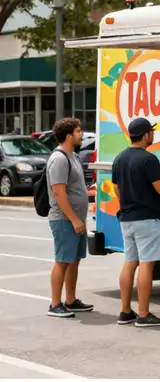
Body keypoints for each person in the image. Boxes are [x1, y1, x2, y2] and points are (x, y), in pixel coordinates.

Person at [112, 117, 160, 327]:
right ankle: (143, 314)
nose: (153, 135)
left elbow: (116, 188)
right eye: (151, 132)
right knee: (146, 265)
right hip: (146, 218)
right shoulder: (148, 159)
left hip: (126, 218)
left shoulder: (119, 158)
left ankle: (125, 311)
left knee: (129, 263)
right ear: (145, 135)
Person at [46, 117, 93, 318]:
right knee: (62, 260)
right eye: (78, 131)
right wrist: (74, 219)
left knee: (74, 260)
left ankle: (71, 300)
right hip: (64, 219)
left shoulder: (72, 156)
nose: (81, 134)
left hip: (76, 218)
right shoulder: (59, 159)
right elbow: (58, 192)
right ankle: (55, 304)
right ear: (68, 135)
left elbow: (73, 187)